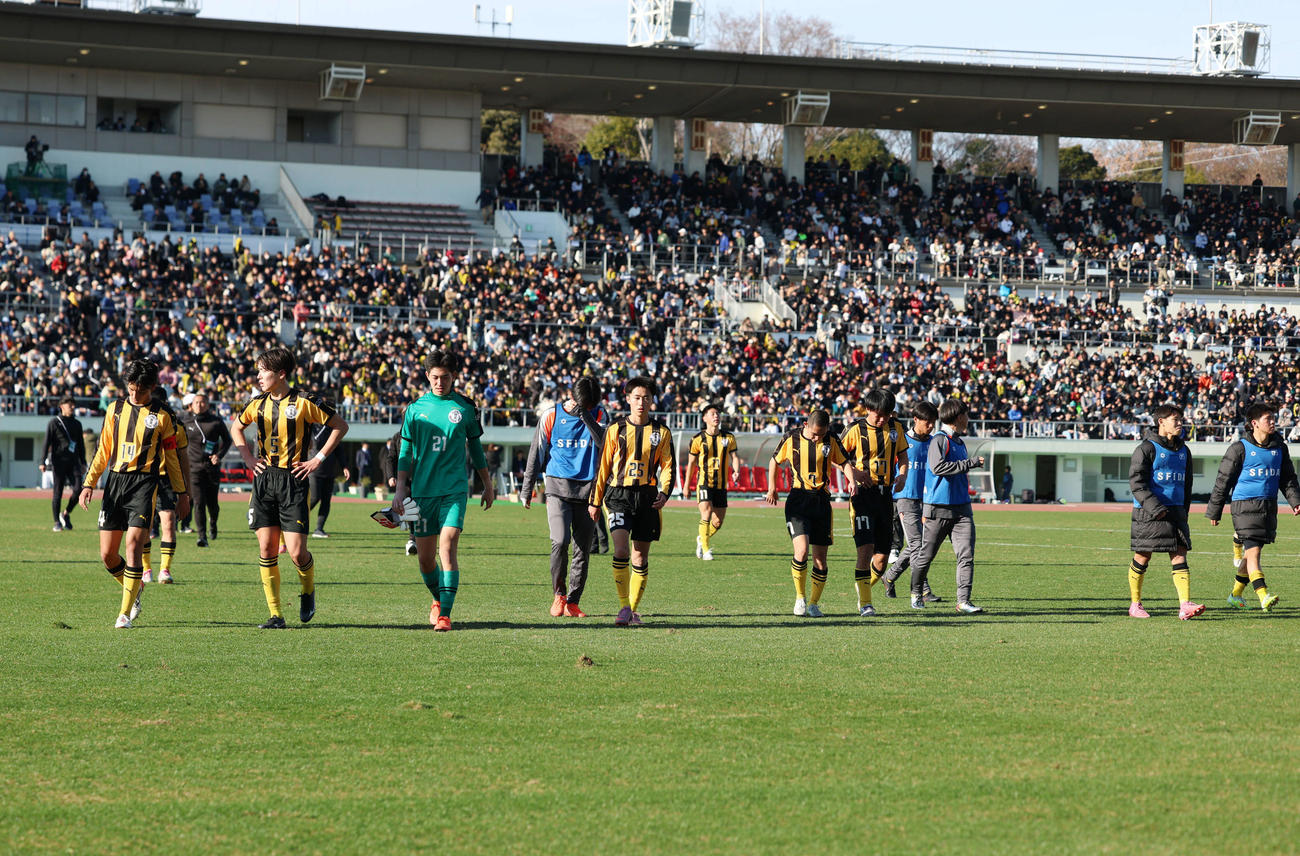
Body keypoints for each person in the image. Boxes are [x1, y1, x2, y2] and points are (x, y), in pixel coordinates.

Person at [232, 347, 348, 629]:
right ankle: (276, 615)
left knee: (297, 552)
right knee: (267, 547)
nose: (258, 376)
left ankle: (308, 591)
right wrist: (248, 458)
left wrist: (317, 459)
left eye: (263, 371)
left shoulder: (306, 402)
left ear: (281, 374)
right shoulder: (256, 403)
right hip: (264, 479)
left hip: (293, 479)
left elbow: (339, 426)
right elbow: (235, 427)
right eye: (258, 370)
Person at [77, 360, 190, 628]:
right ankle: (136, 587)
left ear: (152, 387)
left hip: (144, 483)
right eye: (130, 389)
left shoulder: (163, 415)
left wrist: (182, 493)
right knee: (107, 555)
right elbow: (103, 449)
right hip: (115, 483)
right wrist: (88, 483)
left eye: (140, 390)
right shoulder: (115, 409)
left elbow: (172, 458)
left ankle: (124, 613)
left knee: (133, 546)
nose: (134, 395)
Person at [391, 349, 496, 632]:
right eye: (435, 377)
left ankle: (445, 616)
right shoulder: (414, 410)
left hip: (454, 491)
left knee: (447, 547)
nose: (440, 382)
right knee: (426, 560)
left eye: (445, 377)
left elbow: (475, 449)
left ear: (454, 377)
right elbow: (406, 450)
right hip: (423, 493)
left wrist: (487, 484)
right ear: (427, 376)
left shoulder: (464, 408)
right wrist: (400, 488)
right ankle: (439, 600)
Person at [587, 376, 675, 627]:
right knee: (621, 549)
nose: (641, 402)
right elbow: (603, 467)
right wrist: (595, 501)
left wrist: (665, 493)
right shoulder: (615, 430)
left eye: (646, 398)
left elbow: (668, 466)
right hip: (618, 496)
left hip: (647, 498)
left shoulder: (661, 432)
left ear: (652, 401)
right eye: (636, 397)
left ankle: (633, 609)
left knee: (640, 557)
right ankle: (623, 606)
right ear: (627, 399)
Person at [521, 376, 607, 618]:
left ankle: (573, 601)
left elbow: (603, 442)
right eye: (586, 405)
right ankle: (558, 595)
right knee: (560, 541)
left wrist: (585, 415)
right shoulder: (551, 415)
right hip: (558, 488)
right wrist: (528, 488)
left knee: (583, 549)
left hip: (588, 491)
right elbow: (536, 452)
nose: (590, 408)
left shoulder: (600, 415)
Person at [1206, 402, 1300, 613]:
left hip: (1268, 507)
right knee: (1254, 552)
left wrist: (1295, 501)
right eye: (1269, 419)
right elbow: (1223, 480)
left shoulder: (1280, 448)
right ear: (1254, 423)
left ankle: (1235, 595)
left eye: (1273, 418)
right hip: (1244, 507)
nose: (1274, 422)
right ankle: (1263, 595)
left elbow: (1288, 479)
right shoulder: (1239, 448)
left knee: (1249, 555)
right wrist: (1215, 509)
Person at [764, 409, 848, 618]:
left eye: (821, 433)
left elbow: (845, 462)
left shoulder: (831, 440)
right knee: (801, 551)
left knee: (820, 560)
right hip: (798, 500)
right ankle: (799, 598)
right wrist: (771, 487)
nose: (817, 437)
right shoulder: (791, 438)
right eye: (814, 433)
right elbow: (774, 460)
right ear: (805, 425)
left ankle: (813, 603)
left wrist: (852, 481)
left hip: (821, 502)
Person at [906, 399, 986, 615]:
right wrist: (970, 463)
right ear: (959, 417)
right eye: (966, 415)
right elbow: (938, 467)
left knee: (966, 555)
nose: (968, 419)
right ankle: (916, 592)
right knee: (926, 555)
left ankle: (963, 601)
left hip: (962, 509)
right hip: (938, 508)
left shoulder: (958, 442)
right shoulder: (939, 440)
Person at [838, 388, 910, 617]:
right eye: (879, 414)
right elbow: (835, 457)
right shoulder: (855, 429)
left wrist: (903, 474)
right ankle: (866, 603)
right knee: (865, 549)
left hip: (885, 495)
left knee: (881, 556)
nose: (883, 419)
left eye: (887, 415)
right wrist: (854, 475)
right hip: (862, 497)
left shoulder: (896, 428)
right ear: (868, 409)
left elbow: (903, 456)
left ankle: (863, 587)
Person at [1127, 404, 1202, 620]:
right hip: (1149, 513)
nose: (1180, 423)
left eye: (1180, 419)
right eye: (1175, 419)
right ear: (1161, 422)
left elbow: (1187, 485)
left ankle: (1185, 605)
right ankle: (1135, 604)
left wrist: (1184, 511)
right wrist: (1155, 507)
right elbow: (1137, 483)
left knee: (1180, 553)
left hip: (1176, 512)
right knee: (1142, 555)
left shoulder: (1184, 451)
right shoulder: (1145, 449)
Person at [882, 401, 940, 602]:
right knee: (918, 545)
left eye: (933, 422)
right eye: (927, 422)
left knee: (920, 544)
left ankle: (889, 577)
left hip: (927, 501)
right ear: (915, 419)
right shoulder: (901, 440)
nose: (931, 426)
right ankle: (922, 589)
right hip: (904, 498)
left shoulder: (933, 443)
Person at [141, 387, 192, 584]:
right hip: (144, 478)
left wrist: (185, 490)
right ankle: (146, 569)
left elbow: (182, 458)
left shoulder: (177, 426)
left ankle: (165, 569)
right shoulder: (140, 421)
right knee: (143, 525)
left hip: (166, 479)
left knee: (169, 523)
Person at [683, 403, 738, 562]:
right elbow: (691, 464)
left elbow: (734, 458)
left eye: (717, 414)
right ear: (704, 418)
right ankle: (706, 550)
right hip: (704, 482)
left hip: (721, 485)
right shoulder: (697, 439)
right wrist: (687, 485)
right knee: (706, 513)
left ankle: (701, 539)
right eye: (712, 413)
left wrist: (736, 471)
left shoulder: (728, 438)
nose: (716, 416)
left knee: (718, 522)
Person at [180, 391, 231, 548]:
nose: (199, 405)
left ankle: (213, 523)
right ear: (191, 405)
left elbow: (228, 440)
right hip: (193, 468)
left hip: (212, 468)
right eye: (196, 402)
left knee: (212, 505)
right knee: (199, 502)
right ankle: (202, 537)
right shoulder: (185, 421)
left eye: (202, 402)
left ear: (208, 404)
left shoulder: (216, 421)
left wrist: (219, 455)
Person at [41, 396, 85, 532]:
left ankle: (65, 513)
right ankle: (56, 522)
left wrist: (83, 462)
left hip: (74, 463)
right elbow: (46, 442)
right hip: (58, 462)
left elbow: (81, 445)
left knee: (79, 490)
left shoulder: (77, 424)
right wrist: (42, 461)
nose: (72, 407)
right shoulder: (54, 423)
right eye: (69, 404)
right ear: (61, 406)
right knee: (57, 493)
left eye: (73, 405)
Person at [308, 415, 350, 538]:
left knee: (326, 501)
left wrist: (344, 466)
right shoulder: (311, 427)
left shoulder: (333, 430)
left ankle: (319, 529)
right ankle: (295, 520)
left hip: (329, 470)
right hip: (314, 470)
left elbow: (339, 450)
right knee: (314, 498)